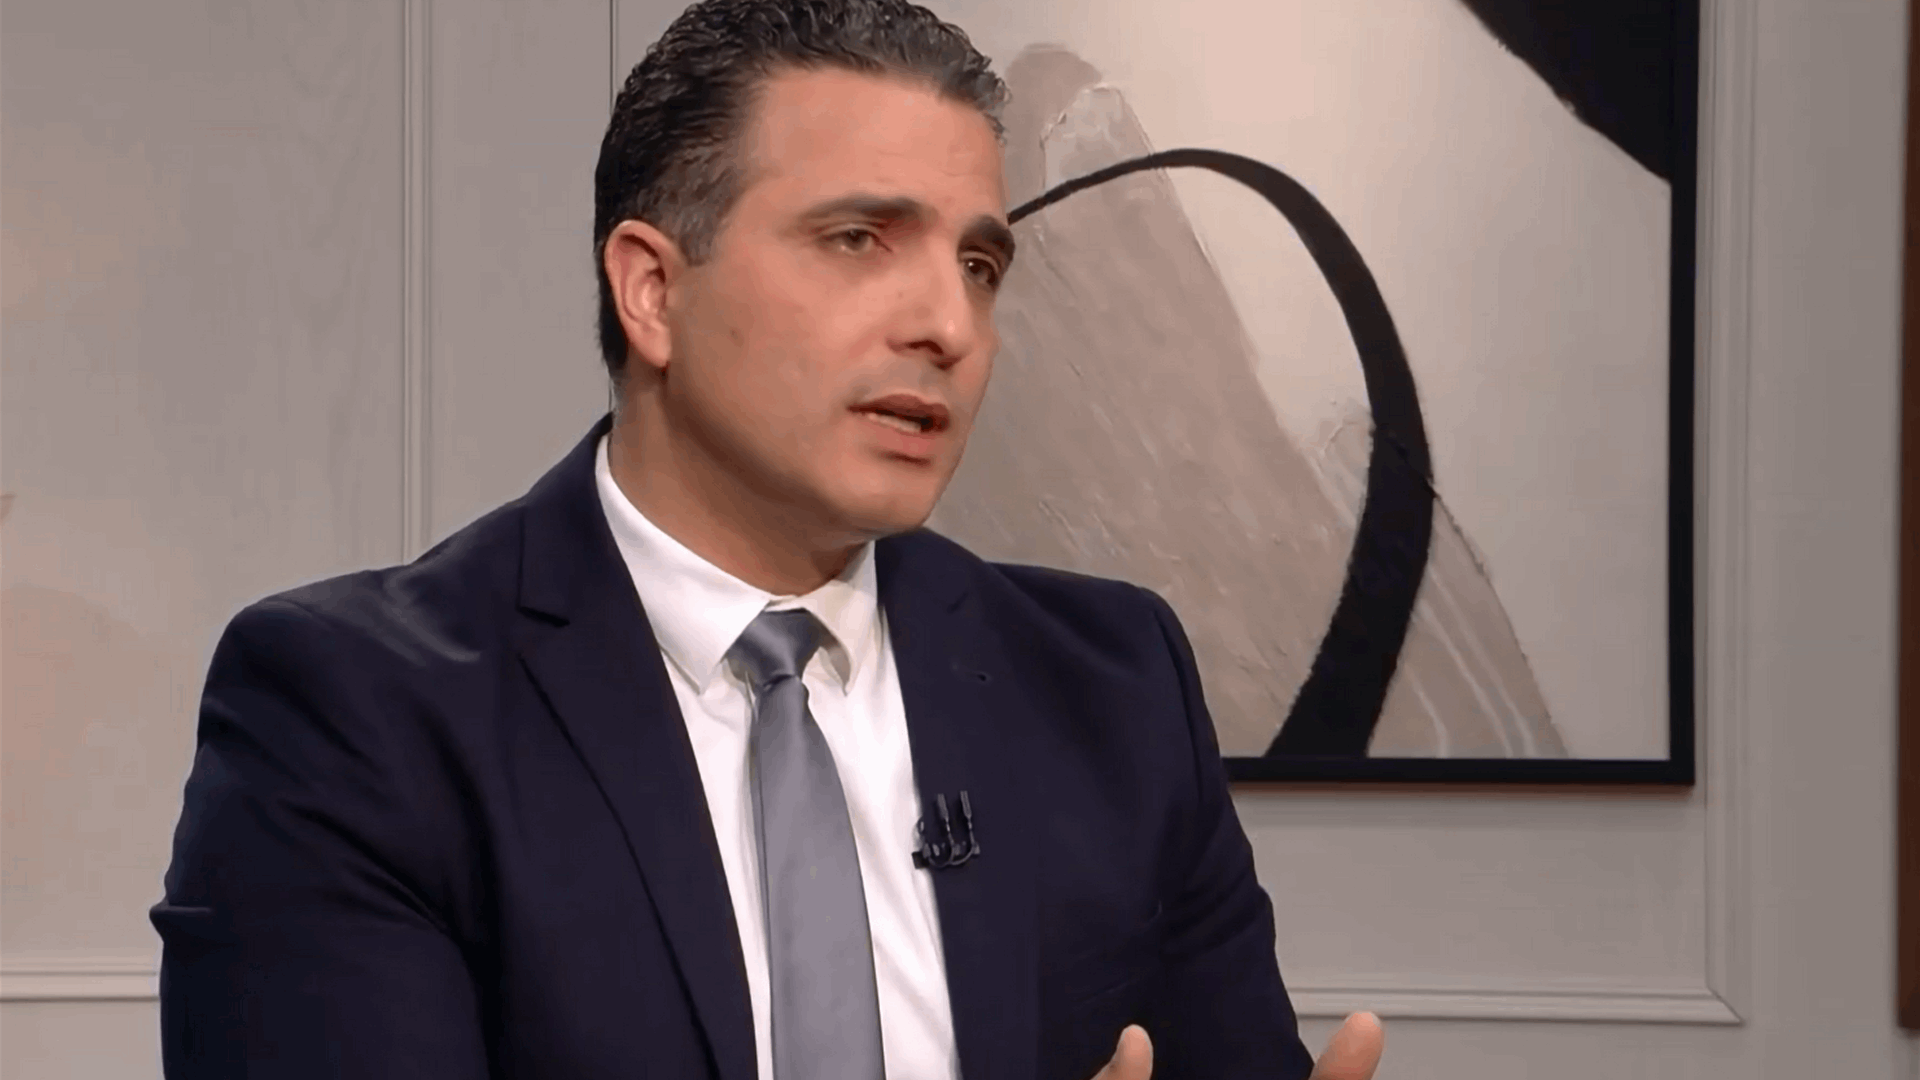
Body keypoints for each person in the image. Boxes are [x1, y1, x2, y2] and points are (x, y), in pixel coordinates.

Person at [149, 1, 1387, 1077]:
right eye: (860, 240)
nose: (951, 325)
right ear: (652, 290)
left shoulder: (1112, 683)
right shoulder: (352, 710)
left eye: (979, 263)